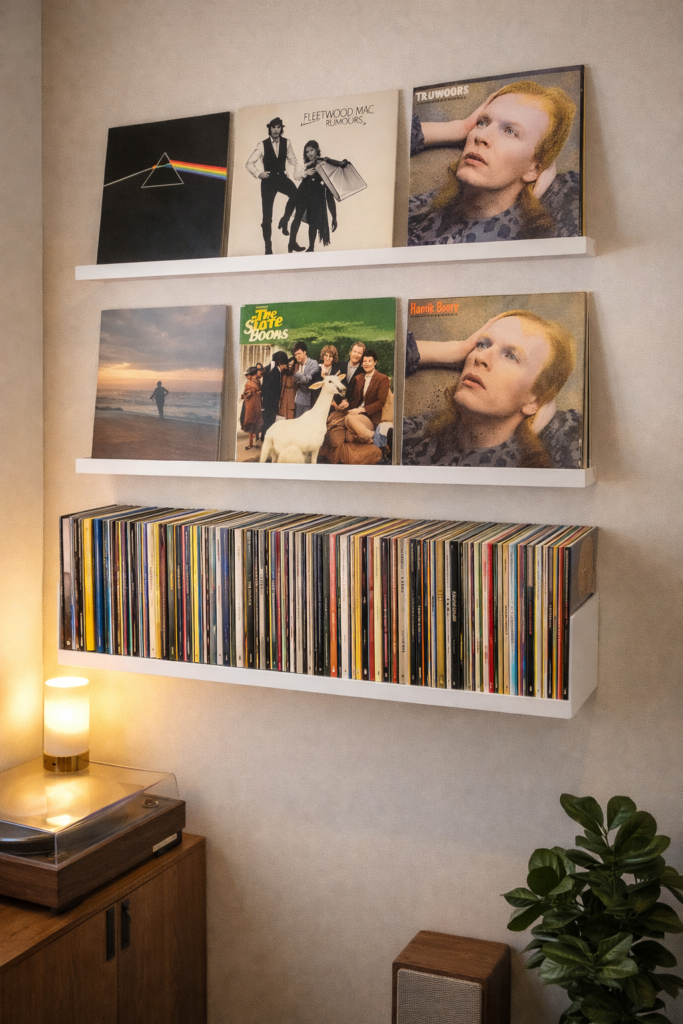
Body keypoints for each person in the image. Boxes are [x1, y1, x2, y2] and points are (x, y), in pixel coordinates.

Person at [402, 310, 581, 468]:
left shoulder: (564, 434)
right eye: (482, 344)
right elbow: (375, 355)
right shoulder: (415, 433)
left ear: (535, 400)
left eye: (511, 356)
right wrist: (456, 348)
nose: (481, 357)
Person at [408, 80, 579, 245]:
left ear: (534, 169)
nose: (481, 136)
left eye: (510, 131)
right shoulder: (422, 211)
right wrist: (459, 127)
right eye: (482, 123)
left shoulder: (563, 203)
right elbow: (382, 141)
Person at [278, 141, 349, 252]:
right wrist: (306, 173)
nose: (309, 153)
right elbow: (297, 175)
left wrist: (342, 162)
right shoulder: (305, 165)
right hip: (304, 191)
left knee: (314, 222)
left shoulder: (322, 161)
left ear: (317, 150)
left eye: (312, 150)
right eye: (307, 152)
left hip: (316, 195)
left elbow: (332, 162)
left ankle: (311, 247)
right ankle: (291, 243)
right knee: (297, 217)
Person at [245, 117, 302, 255]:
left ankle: (284, 220)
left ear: (281, 128)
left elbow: (292, 158)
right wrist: (259, 174)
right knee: (267, 216)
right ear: (269, 129)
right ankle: (268, 247)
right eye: (273, 127)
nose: (276, 130)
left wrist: (296, 167)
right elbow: (249, 163)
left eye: (278, 127)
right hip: (268, 181)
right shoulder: (262, 144)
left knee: (297, 195)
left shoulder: (286, 142)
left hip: (281, 178)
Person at [260, 351, 289, 436]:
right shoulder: (275, 371)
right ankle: (267, 439)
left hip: (266, 401)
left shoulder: (267, 368)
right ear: (279, 362)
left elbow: (264, 387)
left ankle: (264, 438)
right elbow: (275, 389)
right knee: (270, 422)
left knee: (266, 421)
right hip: (272, 402)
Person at [291, 341, 320, 418]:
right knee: (297, 424)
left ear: (304, 352)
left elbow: (308, 380)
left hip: (309, 401)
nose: (297, 356)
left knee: (306, 426)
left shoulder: (313, 363)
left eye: (299, 353)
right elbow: (294, 380)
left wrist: (298, 375)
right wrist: (302, 377)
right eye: (295, 354)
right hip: (298, 399)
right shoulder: (297, 364)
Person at [240, 366, 263, 450]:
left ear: (250, 375)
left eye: (247, 375)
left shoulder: (249, 383)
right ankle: (256, 441)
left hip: (250, 405)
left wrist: (242, 396)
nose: (246, 376)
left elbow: (247, 394)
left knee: (249, 423)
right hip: (257, 405)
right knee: (256, 422)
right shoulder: (258, 382)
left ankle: (250, 444)